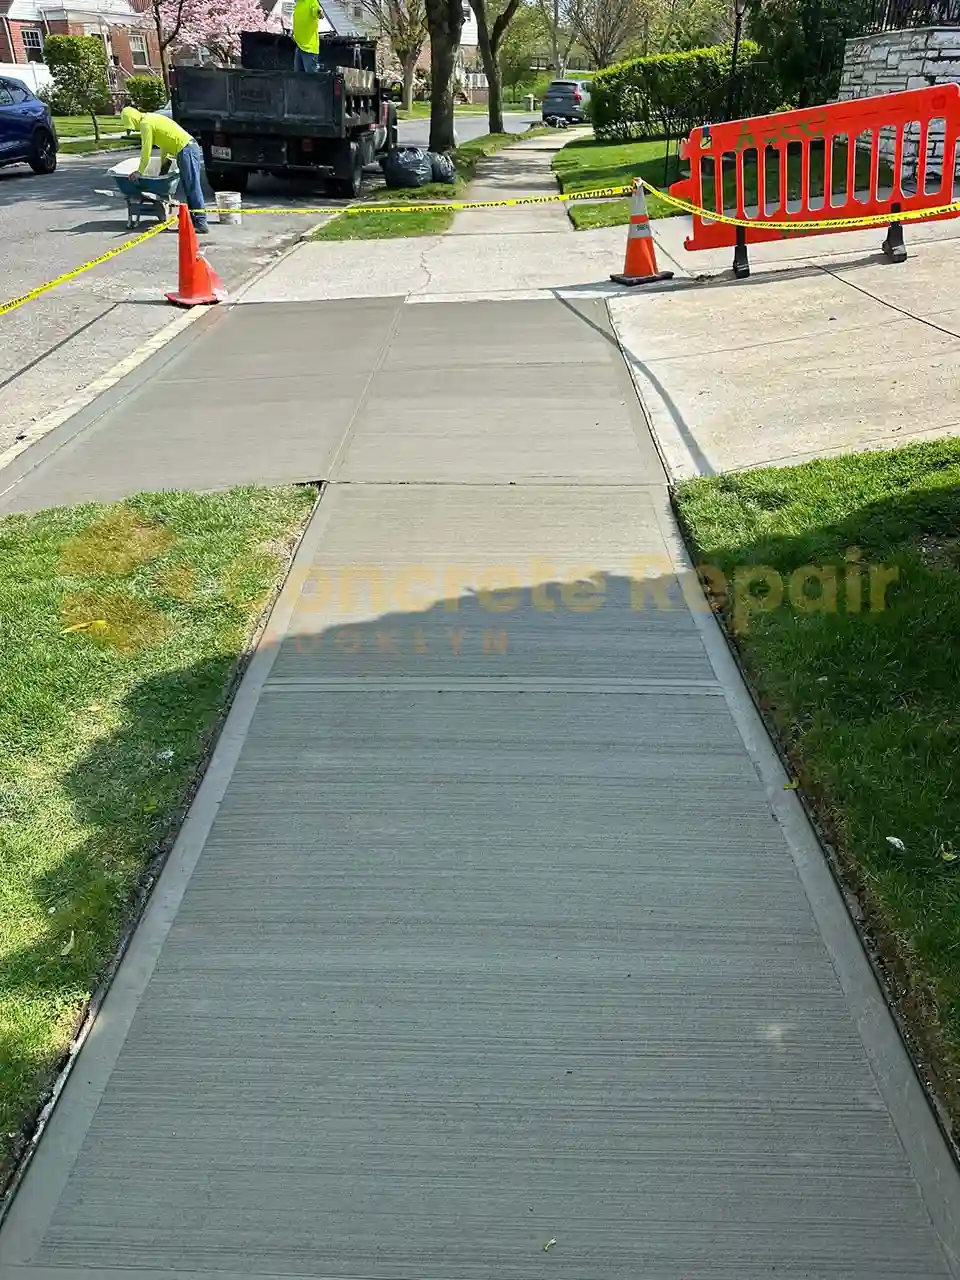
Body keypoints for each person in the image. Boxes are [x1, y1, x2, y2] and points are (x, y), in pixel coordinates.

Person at [120, 107, 209, 235]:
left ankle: (201, 223)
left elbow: (146, 150)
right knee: (189, 187)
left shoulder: (146, 124)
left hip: (186, 149)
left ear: (131, 120)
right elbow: (165, 144)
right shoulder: (150, 118)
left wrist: (140, 171)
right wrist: (163, 166)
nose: (132, 129)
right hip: (186, 149)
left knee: (192, 186)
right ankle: (194, 220)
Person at [293, 0, 323, 73]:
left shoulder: (311, 1)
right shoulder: (298, 3)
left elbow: (316, 10)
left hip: (309, 48)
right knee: (298, 77)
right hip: (299, 45)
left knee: (311, 78)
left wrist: (319, 13)